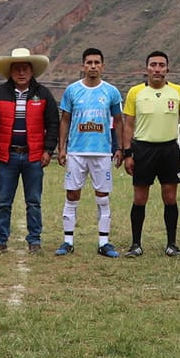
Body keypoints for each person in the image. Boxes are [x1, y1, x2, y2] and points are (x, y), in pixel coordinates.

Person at [0, 48, 58, 254]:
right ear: (10, 71)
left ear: (31, 70)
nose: (21, 73)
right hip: (8, 156)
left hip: (33, 156)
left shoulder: (43, 94)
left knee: (33, 202)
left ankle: (34, 241)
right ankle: (0, 240)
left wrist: (48, 150)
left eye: (25, 68)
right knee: (3, 202)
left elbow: (53, 123)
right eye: (17, 69)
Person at [121, 50, 180, 257]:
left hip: (169, 149)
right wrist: (128, 153)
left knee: (170, 197)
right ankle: (136, 244)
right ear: (146, 69)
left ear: (167, 69)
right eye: (153, 65)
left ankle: (171, 244)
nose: (157, 69)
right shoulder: (135, 92)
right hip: (143, 149)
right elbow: (128, 125)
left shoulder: (177, 91)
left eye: (162, 65)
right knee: (140, 198)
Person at [56, 47, 124, 257]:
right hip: (76, 152)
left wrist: (119, 147)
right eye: (89, 63)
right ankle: (68, 241)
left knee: (103, 196)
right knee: (72, 195)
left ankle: (104, 243)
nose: (93, 66)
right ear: (82, 66)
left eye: (97, 63)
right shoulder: (72, 90)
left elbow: (119, 121)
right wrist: (62, 147)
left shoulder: (111, 92)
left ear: (102, 66)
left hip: (102, 152)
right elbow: (65, 119)